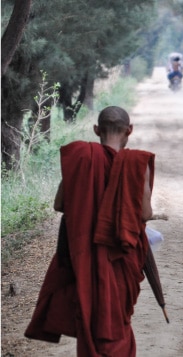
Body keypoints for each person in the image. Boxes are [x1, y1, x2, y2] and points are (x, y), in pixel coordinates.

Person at [25, 106, 155, 357]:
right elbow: (144, 214)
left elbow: (59, 204)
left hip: (86, 255)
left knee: (92, 316)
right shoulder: (137, 164)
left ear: (96, 130)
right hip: (121, 258)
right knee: (116, 320)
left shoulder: (82, 158)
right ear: (130, 130)